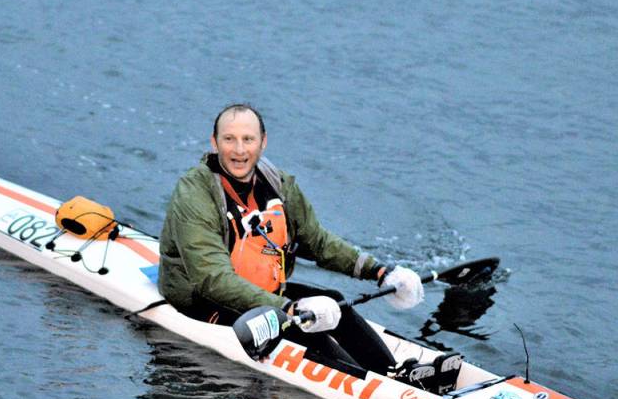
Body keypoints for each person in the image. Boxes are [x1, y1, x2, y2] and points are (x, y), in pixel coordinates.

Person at [158, 103, 425, 377]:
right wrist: (289, 307)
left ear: (263, 142)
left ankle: (392, 372)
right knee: (304, 329)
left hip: (264, 294)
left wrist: (380, 271)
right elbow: (212, 279)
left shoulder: (278, 185)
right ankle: (372, 385)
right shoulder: (194, 193)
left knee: (334, 301)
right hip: (205, 300)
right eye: (229, 139)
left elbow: (317, 241)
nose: (239, 150)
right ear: (215, 142)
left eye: (248, 139)